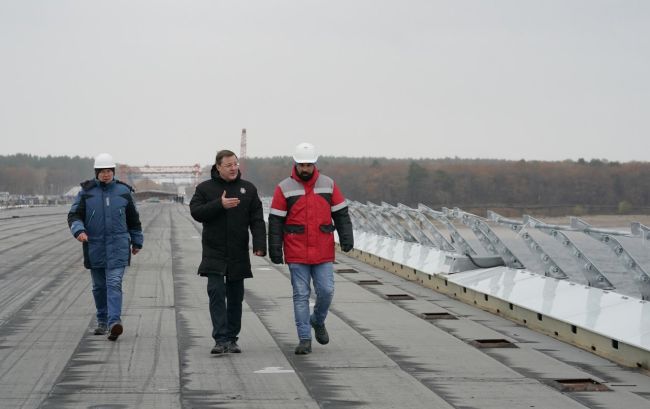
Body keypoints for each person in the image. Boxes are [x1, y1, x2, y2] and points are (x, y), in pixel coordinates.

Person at [268, 142, 354, 354]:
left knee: (326, 291)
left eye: (308, 164)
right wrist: (275, 249)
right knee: (300, 295)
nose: (304, 168)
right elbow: (276, 221)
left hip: (323, 250)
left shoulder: (329, 185)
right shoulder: (284, 188)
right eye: (301, 165)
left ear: (314, 163)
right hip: (296, 251)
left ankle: (317, 320)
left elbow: (341, 215)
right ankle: (304, 339)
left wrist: (346, 237)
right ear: (295, 164)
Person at [189, 149, 266, 354]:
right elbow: (196, 212)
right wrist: (219, 205)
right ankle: (220, 339)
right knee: (216, 293)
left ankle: (232, 338)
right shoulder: (205, 188)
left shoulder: (247, 189)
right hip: (213, 251)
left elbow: (257, 219)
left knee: (235, 297)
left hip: (238, 252)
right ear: (218, 167)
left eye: (235, 164)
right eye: (228, 165)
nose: (233, 168)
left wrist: (259, 244)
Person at [67, 153, 143, 341]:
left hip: (118, 246)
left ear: (113, 172)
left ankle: (114, 322)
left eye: (109, 171)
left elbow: (133, 220)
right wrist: (79, 231)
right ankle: (102, 320)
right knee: (99, 287)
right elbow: (74, 215)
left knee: (114, 283)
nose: (106, 174)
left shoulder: (123, 191)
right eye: (102, 171)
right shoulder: (86, 192)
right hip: (94, 247)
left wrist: (137, 241)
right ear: (96, 173)